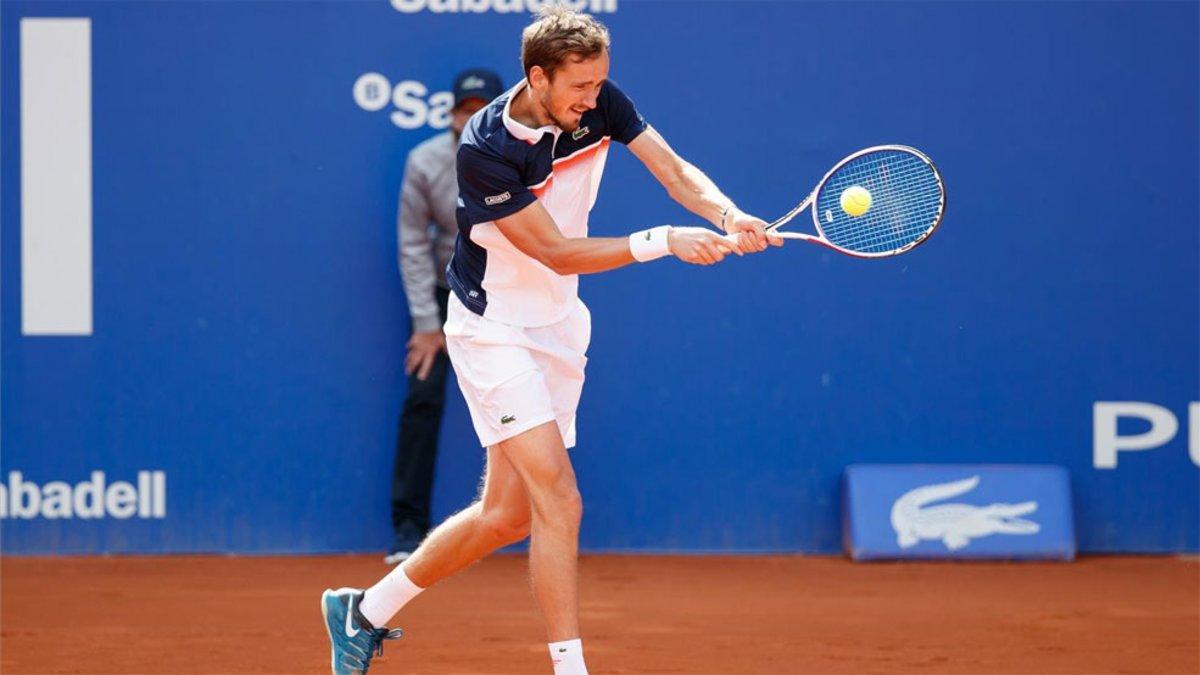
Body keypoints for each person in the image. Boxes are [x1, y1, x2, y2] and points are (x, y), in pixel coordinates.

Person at [321, 7, 781, 674]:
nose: (592, 100)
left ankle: (361, 613)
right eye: (580, 88)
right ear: (537, 77)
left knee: (506, 515)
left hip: (558, 326)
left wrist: (728, 213)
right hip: (492, 327)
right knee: (559, 498)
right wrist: (665, 241)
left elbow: (674, 169)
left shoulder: (600, 102)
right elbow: (556, 251)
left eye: (599, 86)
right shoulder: (484, 150)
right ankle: (571, 668)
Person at [386, 68, 506, 566]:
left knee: (523, 407)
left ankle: (529, 522)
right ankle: (408, 530)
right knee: (423, 397)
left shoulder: (521, 156)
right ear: (451, 113)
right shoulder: (425, 162)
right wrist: (426, 324)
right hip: (443, 295)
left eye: (480, 107)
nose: (470, 115)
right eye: (463, 107)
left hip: (504, 294)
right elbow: (414, 243)